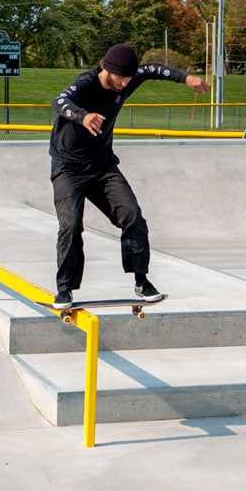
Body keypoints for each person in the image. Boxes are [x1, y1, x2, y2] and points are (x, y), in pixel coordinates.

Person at [48, 44, 209, 308]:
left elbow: (154, 69)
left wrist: (186, 78)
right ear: (108, 70)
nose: (124, 83)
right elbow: (59, 101)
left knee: (133, 216)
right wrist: (83, 116)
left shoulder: (129, 79)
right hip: (68, 167)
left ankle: (141, 281)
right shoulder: (86, 83)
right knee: (71, 225)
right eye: (120, 78)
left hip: (102, 166)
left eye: (128, 78)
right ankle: (65, 288)